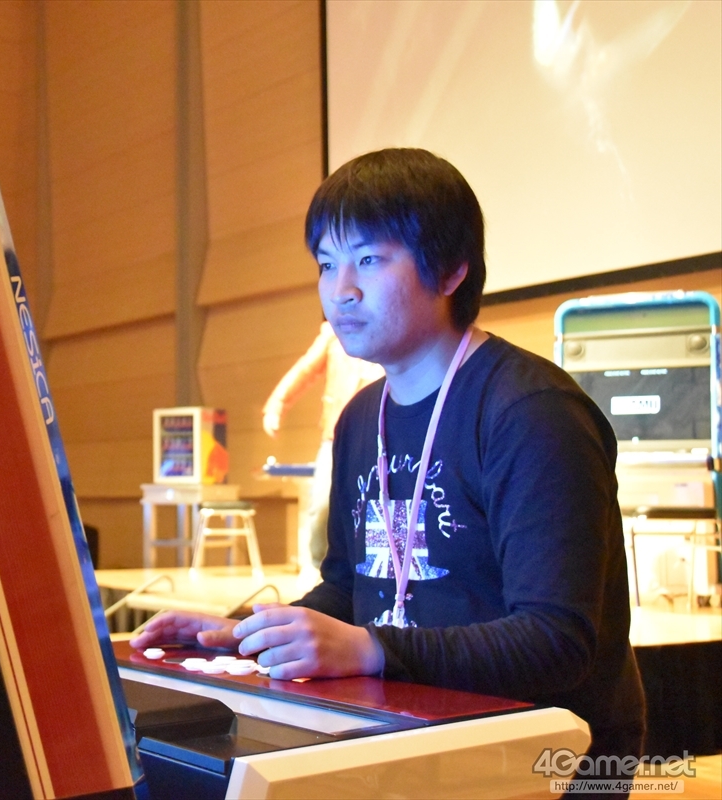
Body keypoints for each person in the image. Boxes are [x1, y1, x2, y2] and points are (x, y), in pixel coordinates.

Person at [133, 148, 645, 773]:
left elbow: (556, 641)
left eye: (369, 260)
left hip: (555, 760)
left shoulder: (531, 412)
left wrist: (372, 649)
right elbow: (350, 589)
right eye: (327, 264)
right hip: (412, 736)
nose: (339, 290)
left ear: (451, 270)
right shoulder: (360, 418)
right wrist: (240, 632)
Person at [262, 321, 381, 572]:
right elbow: (305, 370)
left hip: (383, 433)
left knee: (381, 505)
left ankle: (377, 573)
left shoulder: (388, 326)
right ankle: (320, 568)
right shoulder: (333, 334)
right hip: (337, 435)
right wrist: (277, 404)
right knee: (323, 504)